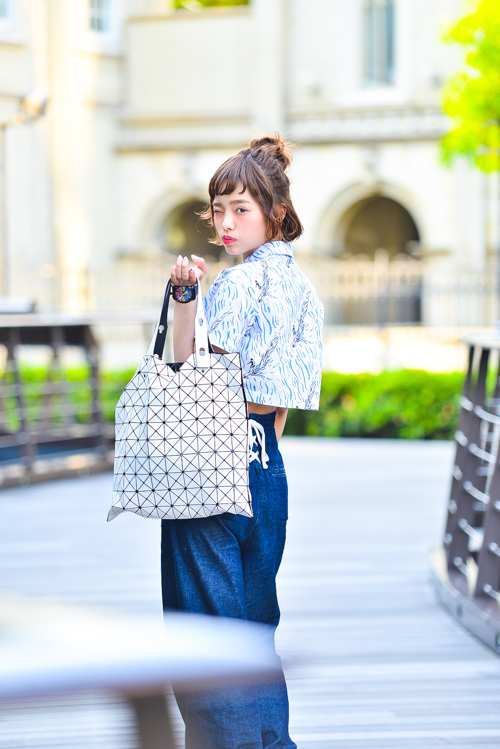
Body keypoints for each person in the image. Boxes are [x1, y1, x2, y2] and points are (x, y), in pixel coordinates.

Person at [161, 134, 324, 749]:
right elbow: (279, 405)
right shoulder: (303, 291)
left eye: (241, 209)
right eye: (218, 209)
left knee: (206, 631)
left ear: (274, 213)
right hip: (266, 469)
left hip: (210, 463)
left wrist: (184, 300)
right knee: (255, 629)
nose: (225, 224)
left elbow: (192, 375)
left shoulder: (232, 285)